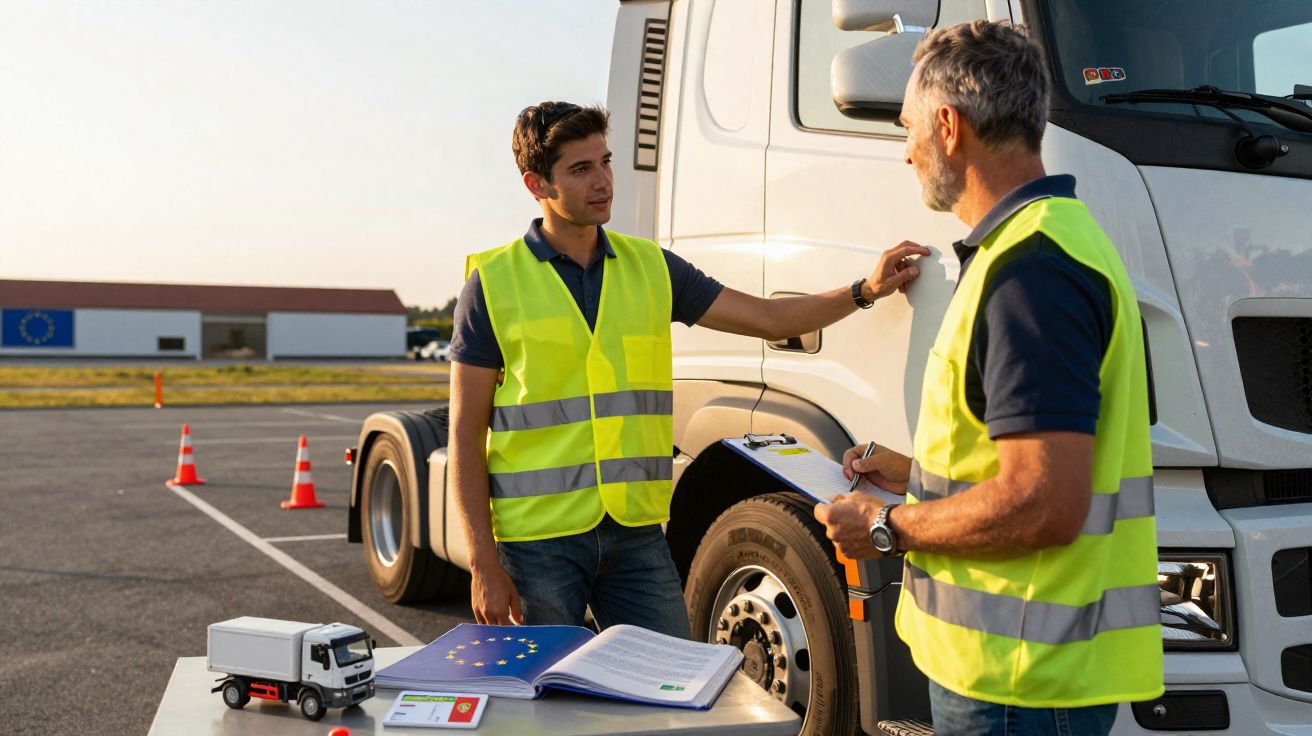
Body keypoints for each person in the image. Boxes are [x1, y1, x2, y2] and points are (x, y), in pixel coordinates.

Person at [448, 101, 929, 638]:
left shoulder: (651, 267)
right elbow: (466, 433)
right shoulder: (493, 282)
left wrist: (865, 290)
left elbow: (768, 318)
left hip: (636, 535)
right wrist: (483, 564)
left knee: (671, 690)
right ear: (537, 184)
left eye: (605, 161)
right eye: (581, 170)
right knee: (541, 702)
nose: (604, 180)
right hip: (538, 546)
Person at [813, 21, 1163, 736]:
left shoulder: (1029, 272)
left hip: (1017, 685)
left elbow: (1045, 503)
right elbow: (1043, 467)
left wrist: (887, 528)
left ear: (948, 126)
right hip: (1025, 676)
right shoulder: (1051, 243)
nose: (905, 150)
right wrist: (911, 475)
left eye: (908, 127)